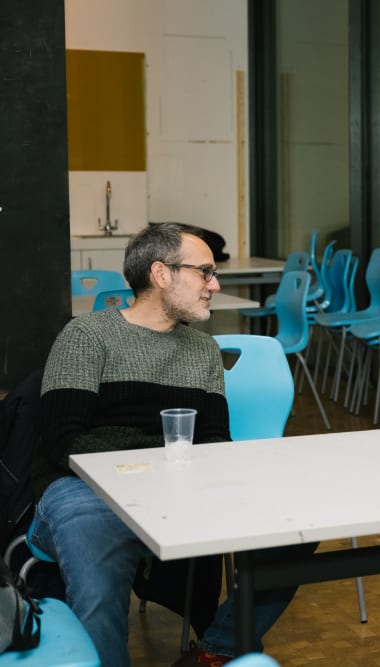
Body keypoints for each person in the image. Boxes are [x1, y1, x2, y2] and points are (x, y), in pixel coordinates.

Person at [31, 223, 306, 667]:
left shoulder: (202, 351)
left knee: (297, 519)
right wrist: (146, 477)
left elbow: (215, 441)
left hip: (175, 484)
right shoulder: (87, 335)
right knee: (96, 552)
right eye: (204, 273)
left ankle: (217, 648)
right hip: (81, 487)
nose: (214, 285)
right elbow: (63, 441)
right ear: (161, 274)